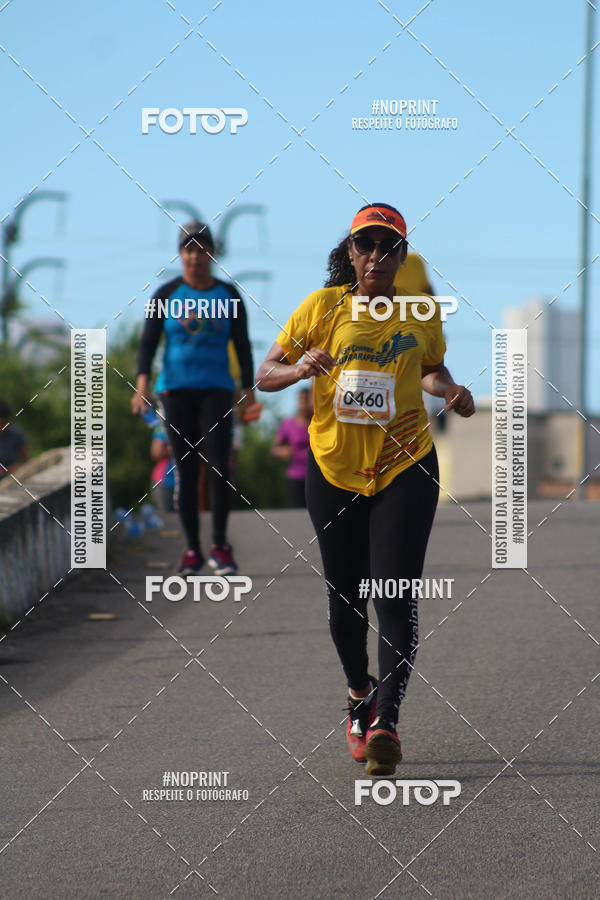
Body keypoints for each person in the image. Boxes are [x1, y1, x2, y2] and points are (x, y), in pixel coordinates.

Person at [256, 203, 474, 776]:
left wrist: (450, 391)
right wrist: (301, 367)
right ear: (350, 254)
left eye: (388, 247)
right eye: (365, 246)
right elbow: (265, 372)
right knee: (345, 600)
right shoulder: (322, 307)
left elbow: (429, 370)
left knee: (394, 594)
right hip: (333, 470)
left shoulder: (419, 311)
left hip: (406, 465)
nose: (376, 256)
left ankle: (386, 725)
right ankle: (359, 695)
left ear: (402, 257)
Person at [132, 220, 255, 575]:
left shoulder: (228, 295)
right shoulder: (165, 294)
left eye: (201, 250)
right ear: (180, 254)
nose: (194, 257)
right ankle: (191, 550)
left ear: (212, 254)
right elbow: (148, 343)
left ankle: (219, 545)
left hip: (217, 389)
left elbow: (242, 345)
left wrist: (248, 391)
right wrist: (142, 384)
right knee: (185, 472)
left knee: (219, 469)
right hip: (175, 391)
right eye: (188, 250)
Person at [272, 387, 312, 507]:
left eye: (307, 399)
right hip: (296, 477)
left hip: (317, 477)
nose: (304, 403)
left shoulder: (320, 423)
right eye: (301, 399)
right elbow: (274, 449)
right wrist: (282, 451)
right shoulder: (288, 424)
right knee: (299, 515)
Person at [0, 399, 29, 481]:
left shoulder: (16, 435)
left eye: (3, 424)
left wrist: (18, 467)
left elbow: (26, 461)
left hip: (12, 478)